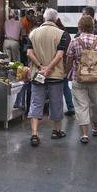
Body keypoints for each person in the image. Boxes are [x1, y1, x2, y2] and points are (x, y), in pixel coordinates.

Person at [26, 8, 70, 146]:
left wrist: (40, 67)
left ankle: (34, 134)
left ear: (44, 19)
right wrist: (49, 69)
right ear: (56, 19)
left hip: (37, 75)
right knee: (56, 102)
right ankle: (56, 131)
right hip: (55, 75)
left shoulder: (33, 33)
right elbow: (60, 55)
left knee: (35, 103)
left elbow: (29, 53)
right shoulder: (62, 34)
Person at [66, 15, 97, 142]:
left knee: (81, 105)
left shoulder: (75, 41)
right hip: (96, 78)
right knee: (95, 103)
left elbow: (69, 59)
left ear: (79, 27)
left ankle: (84, 134)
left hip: (78, 78)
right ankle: (95, 127)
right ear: (93, 27)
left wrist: (67, 73)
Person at [55, 18, 75, 117]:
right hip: (65, 62)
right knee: (65, 86)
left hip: (57, 63)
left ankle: (56, 108)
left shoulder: (58, 34)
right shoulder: (66, 34)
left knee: (57, 86)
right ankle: (70, 107)